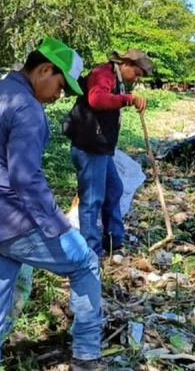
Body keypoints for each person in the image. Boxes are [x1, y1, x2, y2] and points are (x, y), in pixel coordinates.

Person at [0, 37, 106, 371]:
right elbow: (25, 177)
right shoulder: (27, 106)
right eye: (60, 86)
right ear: (44, 69)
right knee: (85, 262)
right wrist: (59, 227)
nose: (58, 96)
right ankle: (87, 356)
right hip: (12, 222)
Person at [62, 48, 153, 257]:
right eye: (136, 74)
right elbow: (96, 99)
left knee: (114, 189)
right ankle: (91, 249)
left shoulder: (116, 78)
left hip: (102, 147)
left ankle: (114, 240)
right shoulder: (103, 73)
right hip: (89, 146)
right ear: (127, 64)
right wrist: (127, 99)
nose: (135, 79)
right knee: (92, 198)